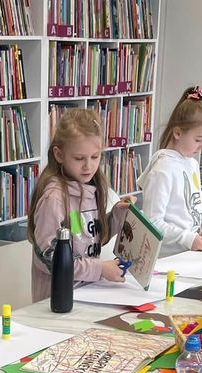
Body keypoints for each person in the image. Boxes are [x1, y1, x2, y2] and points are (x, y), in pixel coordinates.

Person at [27, 108, 131, 302]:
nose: (88, 166)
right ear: (59, 155)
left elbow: (91, 237)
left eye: (95, 157)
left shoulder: (92, 187)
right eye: (79, 158)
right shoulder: (54, 199)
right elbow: (50, 259)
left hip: (88, 294)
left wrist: (117, 215)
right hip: (56, 302)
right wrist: (100, 269)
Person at [137, 85, 202, 254]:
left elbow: (195, 207)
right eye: (198, 139)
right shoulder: (162, 170)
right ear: (177, 133)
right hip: (167, 260)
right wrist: (187, 238)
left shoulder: (191, 163)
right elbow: (152, 222)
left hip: (188, 255)